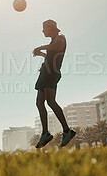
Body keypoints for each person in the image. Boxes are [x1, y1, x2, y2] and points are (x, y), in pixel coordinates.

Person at [32, 20, 76, 148]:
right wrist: (41, 54)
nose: (43, 31)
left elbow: (57, 48)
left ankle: (67, 131)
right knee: (39, 103)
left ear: (50, 27)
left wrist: (41, 47)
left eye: (44, 28)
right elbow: (51, 56)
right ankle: (45, 133)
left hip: (52, 73)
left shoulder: (61, 38)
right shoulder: (53, 42)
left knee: (50, 101)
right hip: (45, 72)